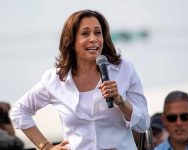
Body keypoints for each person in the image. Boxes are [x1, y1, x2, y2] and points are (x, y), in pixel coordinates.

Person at [11, 9, 150, 150]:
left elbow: (143, 124)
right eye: (85, 33)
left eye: (98, 33)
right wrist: (46, 146)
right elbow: (19, 111)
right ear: (71, 41)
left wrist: (121, 102)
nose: (93, 39)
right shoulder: (55, 79)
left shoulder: (124, 69)